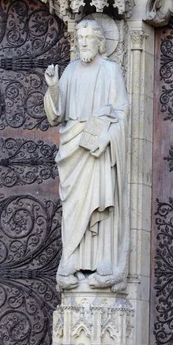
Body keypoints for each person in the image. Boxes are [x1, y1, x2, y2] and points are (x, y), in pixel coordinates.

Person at [44, 18, 129, 291]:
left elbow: (122, 112)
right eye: (79, 39)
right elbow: (56, 115)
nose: (83, 43)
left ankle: (104, 260)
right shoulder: (70, 70)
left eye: (88, 38)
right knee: (74, 205)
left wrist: (106, 138)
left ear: (100, 42)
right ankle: (70, 263)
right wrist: (54, 87)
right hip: (73, 149)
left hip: (97, 149)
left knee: (100, 203)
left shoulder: (110, 70)